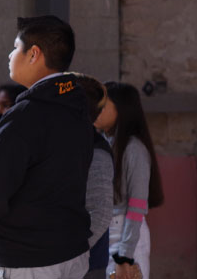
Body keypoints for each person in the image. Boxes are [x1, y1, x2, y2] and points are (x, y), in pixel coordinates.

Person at [0, 15, 93, 277]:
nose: (10, 55)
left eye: (15, 47)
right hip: (71, 250)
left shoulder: (26, 114)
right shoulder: (78, 109)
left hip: (28, 259)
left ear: (33, 54)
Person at [95, 82, 164, 279]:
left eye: (103, 105)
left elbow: (136, 205)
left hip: (127, 235)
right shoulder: (106, 144)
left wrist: (125, 254)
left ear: (122, 109)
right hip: (106, 234)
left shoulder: (134, 149)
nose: (96, 111)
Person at [74, 74, 115, 279]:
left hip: (86, 263)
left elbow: (100, 212)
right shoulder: (66, 145)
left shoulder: (96, 151)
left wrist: (69, 252)